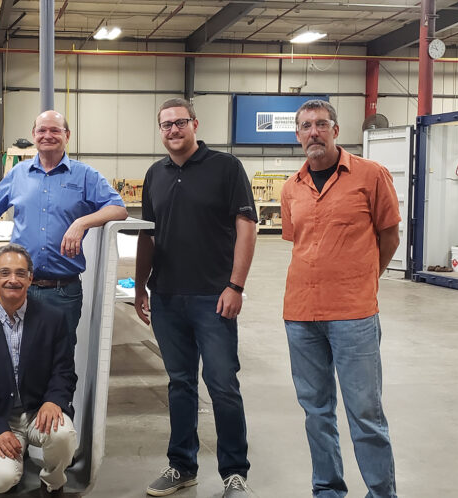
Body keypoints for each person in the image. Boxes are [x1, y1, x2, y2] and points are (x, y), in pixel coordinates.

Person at [134, 98, 257, 498]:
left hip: (214, 298)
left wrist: (235, 286)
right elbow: (147, 237)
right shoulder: (155, 174)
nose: (173, 130)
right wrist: (140, 288)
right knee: (180, 384)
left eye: (180, 122)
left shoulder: (226, 168)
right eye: (166, 125)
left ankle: (234, 474)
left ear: (194, 124)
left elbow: (246, 228)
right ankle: (181, 466)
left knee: (222, 384)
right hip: (168, 297)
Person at [280, 99, 400, 498]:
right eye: (305, 126)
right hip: (300, 315)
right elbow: (299, 241)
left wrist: (363, 279)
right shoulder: (290, 187)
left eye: (321, 124)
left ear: (335, 129)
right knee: (316, 413)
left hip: (354, 314)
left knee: (365, 413)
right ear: (297, 135)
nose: (313, 132)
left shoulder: (371, 175)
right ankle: (328, 490)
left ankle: (381, 493)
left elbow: (389, 236)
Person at [0, 110, 127, 341]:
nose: (48, 135)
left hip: (63, 291)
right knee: (16, 357)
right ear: (34, 135)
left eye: (55, 130)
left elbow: (118, 208)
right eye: (42, 130)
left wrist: (81, 222)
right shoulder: (18, 174)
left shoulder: (85, 175)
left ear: (67, 135)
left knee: (60, 361)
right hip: (20, 288)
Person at [0, 243, 77, 496]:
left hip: (39, 413)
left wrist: (54, 400)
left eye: (21, 273)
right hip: (1, 417)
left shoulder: (53, 319)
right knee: (1, 479)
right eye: (5, 273)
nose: (13, 280)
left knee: (64, 435)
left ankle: (53, 482)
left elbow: (64, 370)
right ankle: (14, 457)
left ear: (30, 278)